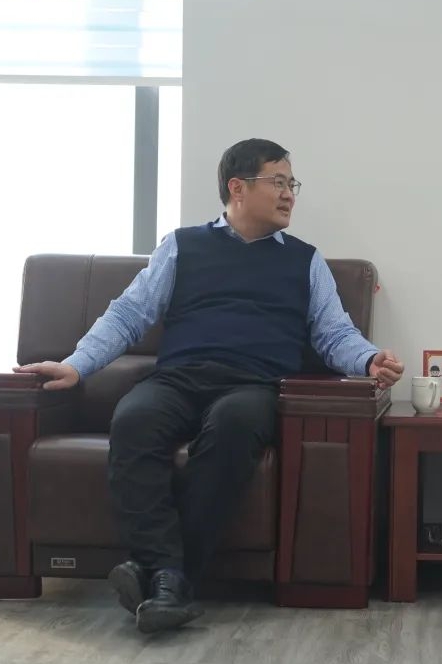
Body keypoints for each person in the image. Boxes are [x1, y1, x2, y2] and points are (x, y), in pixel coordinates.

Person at [14, 138, 404, 634]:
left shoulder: (305, 261)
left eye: (292, 184)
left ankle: (158, 574)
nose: (289, 194)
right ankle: (170, 577)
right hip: (178, 378)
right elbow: (130, 314)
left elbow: (333, 333)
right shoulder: (181, 246)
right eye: (278, 182)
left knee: (233, 424)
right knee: (133, 419)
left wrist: (369, 358)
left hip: (254, 385)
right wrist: (77, 365)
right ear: (237, 188)